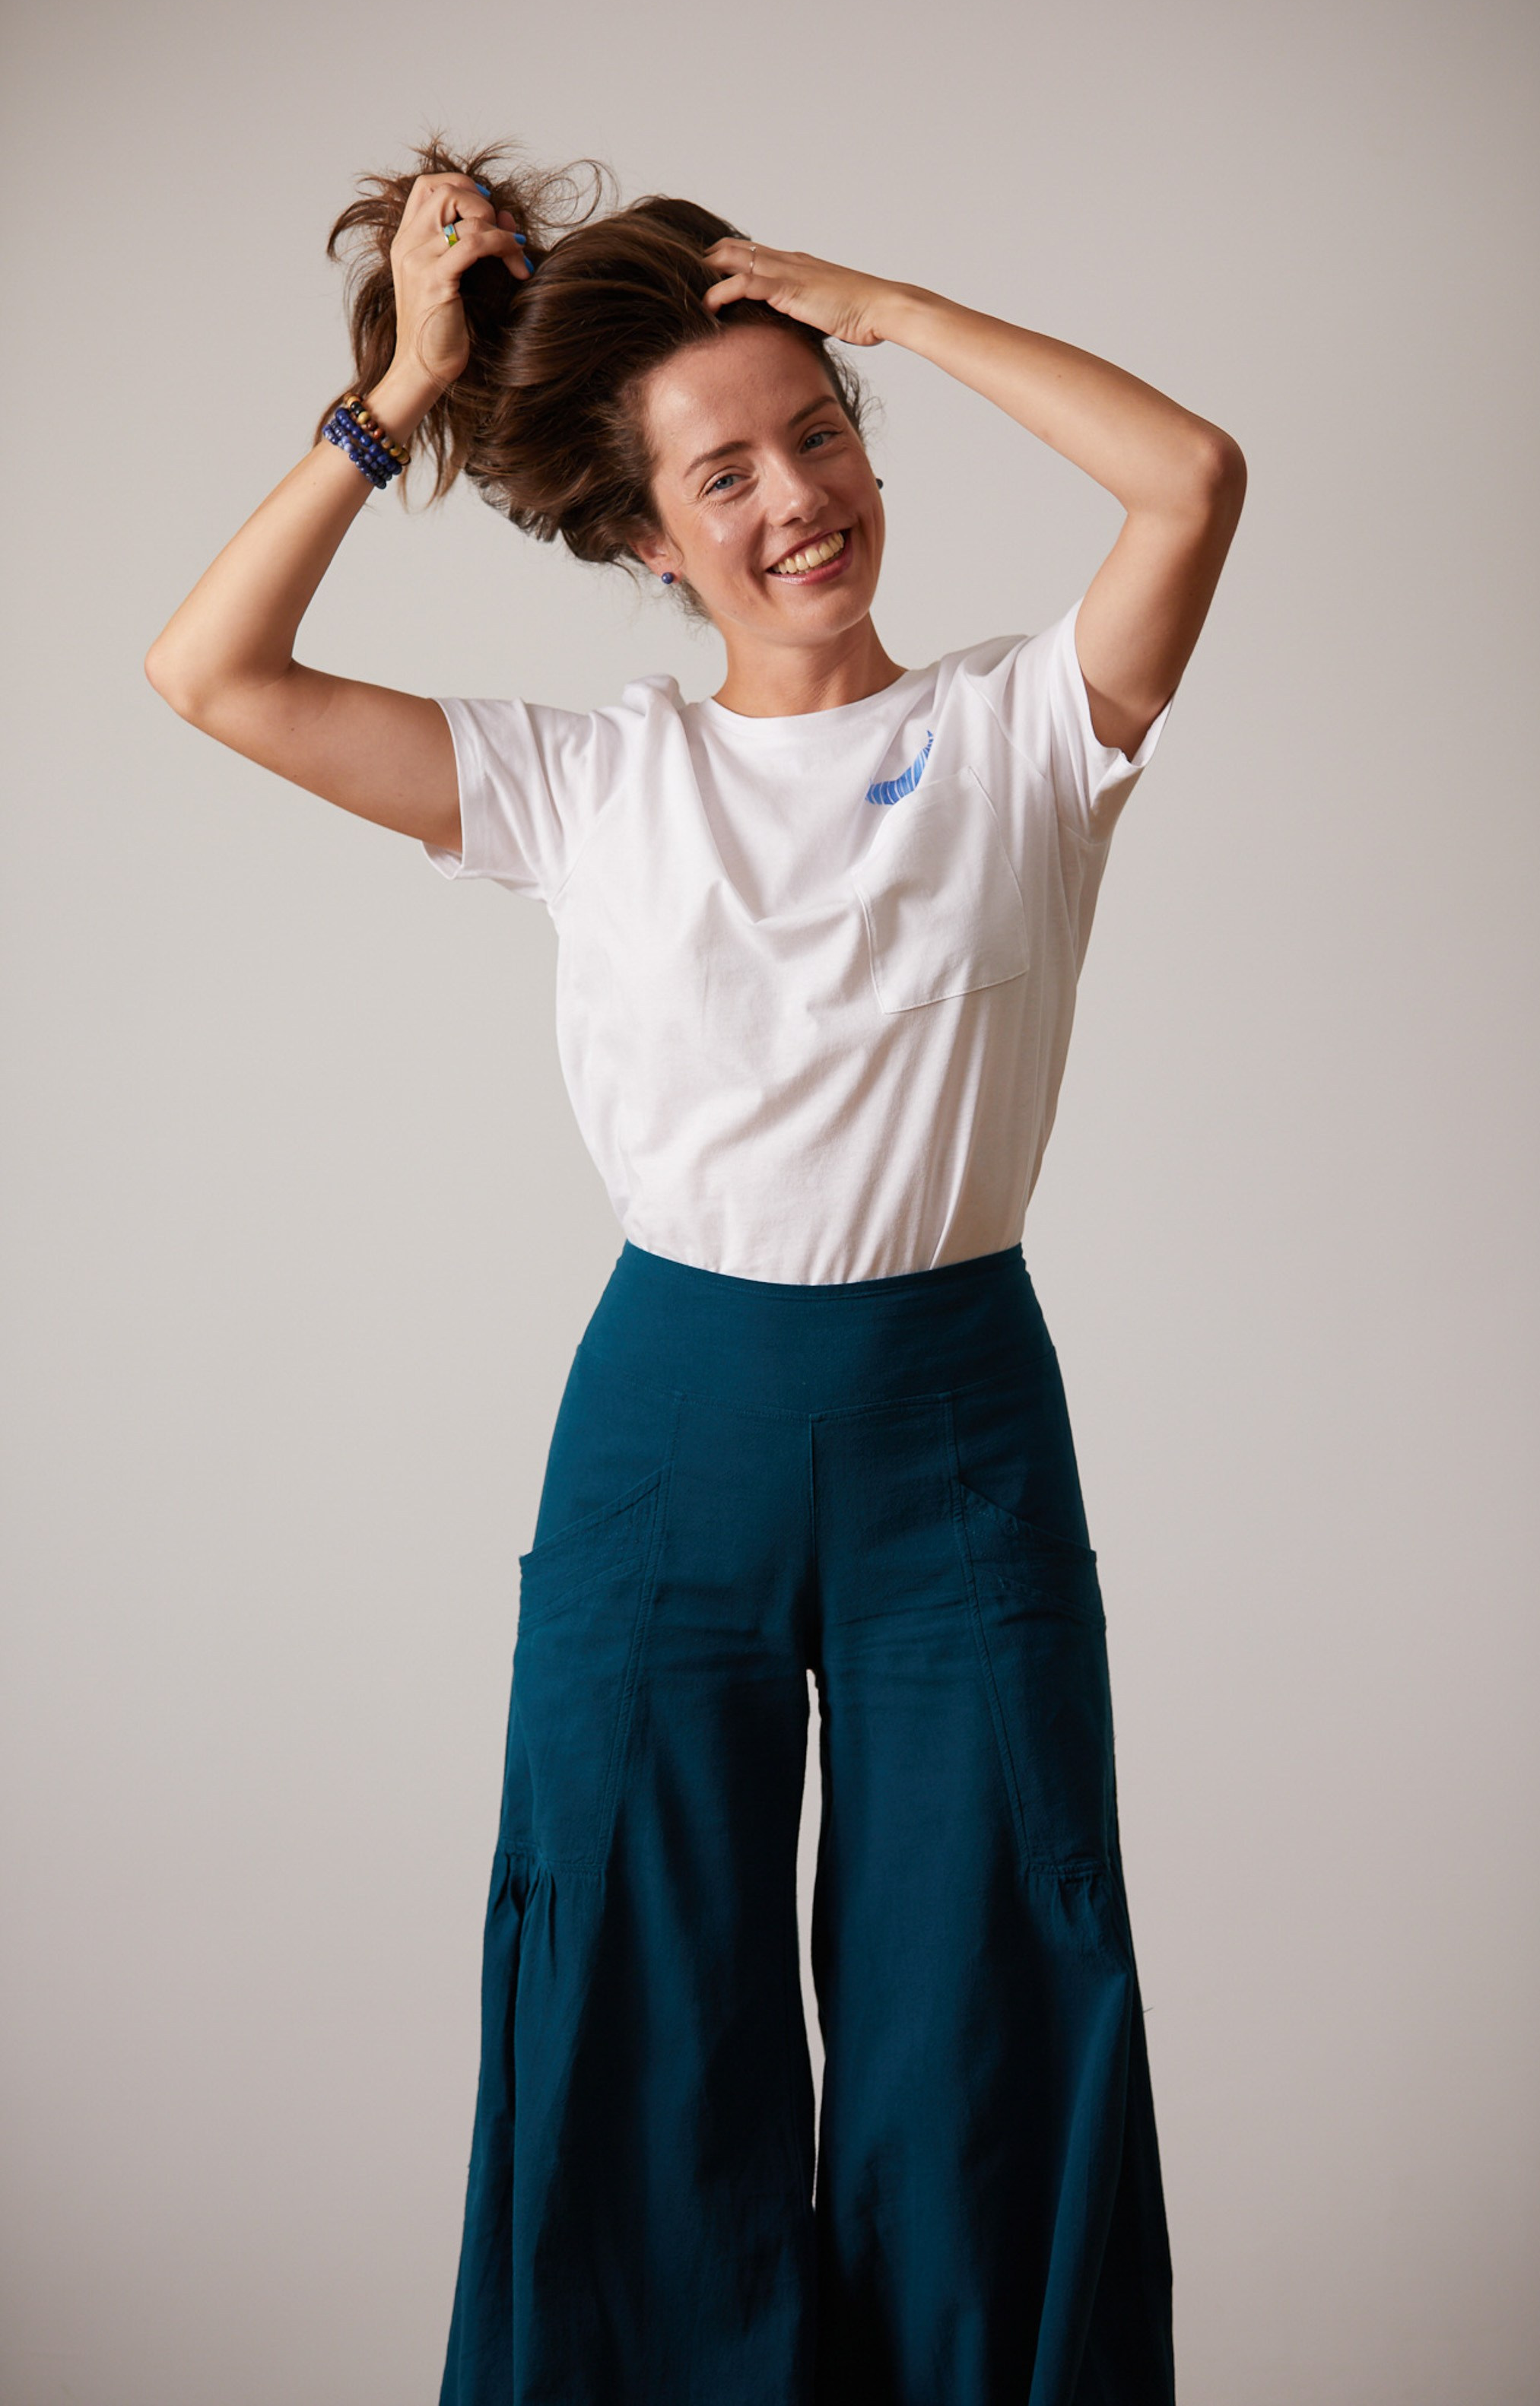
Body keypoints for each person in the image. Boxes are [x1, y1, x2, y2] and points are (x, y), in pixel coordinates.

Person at [144, 134, 1245, 2406]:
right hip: (674, 1420)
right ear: (648, 537)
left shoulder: (1027, 737)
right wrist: (400, 393)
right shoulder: (586, 783)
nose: (796, 500)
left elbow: (1191, 477)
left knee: (992, 1988)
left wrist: (894, 309)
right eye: (723, 474)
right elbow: (213, 671)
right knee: (639, 1981)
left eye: (819, 436)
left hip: (957, 1414)